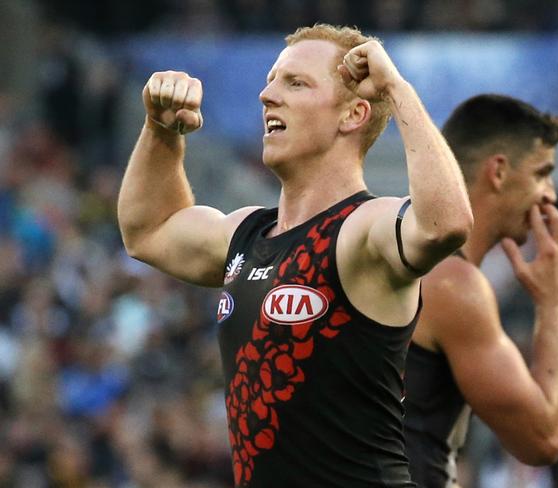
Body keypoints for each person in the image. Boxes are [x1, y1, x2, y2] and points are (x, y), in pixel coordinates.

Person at [117, 24, 473, 488]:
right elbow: (147, 231)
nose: (267, 96)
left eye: (295, 83)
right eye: (270, 81)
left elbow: (445, 223)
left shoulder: (361, 230)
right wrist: (161, 130)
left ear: (352, 115)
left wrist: (395, 88)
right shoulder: (245, 234)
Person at [403, 94, 558, 488]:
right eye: (541, 174)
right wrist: (555, 302)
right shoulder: (451, 282)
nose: (550, 195)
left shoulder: (392, 249)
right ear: (497, 172)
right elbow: (542, 439)